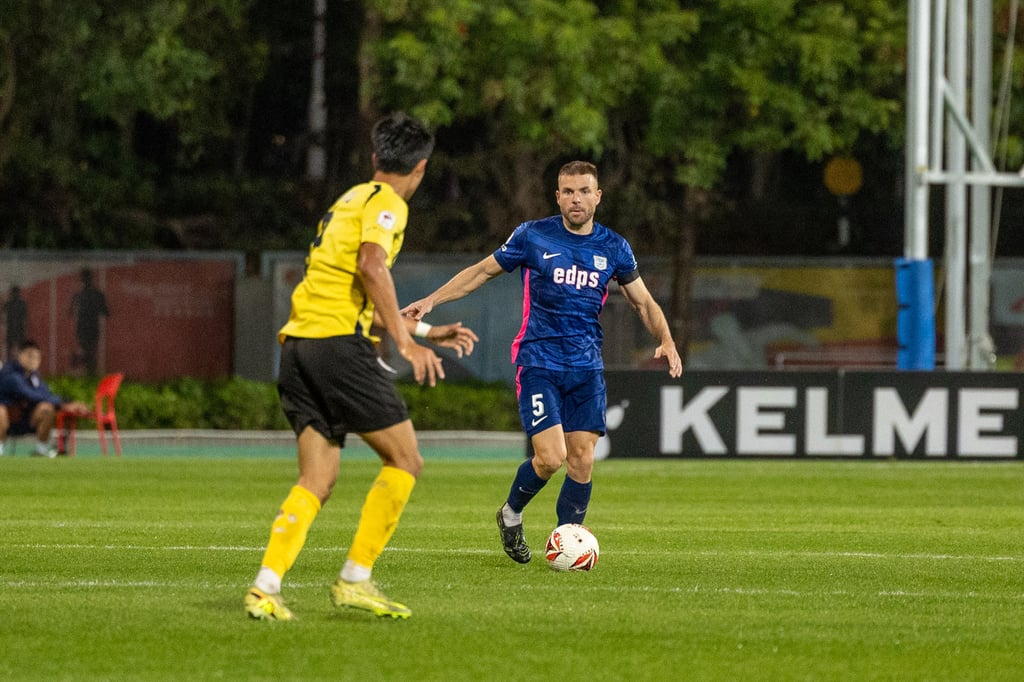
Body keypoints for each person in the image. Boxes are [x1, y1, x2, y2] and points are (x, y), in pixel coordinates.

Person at [244, 112, 478, 622]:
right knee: (406, 461)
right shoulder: (390, 203)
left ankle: (265, 586)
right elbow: (371, 267)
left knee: (318, 478)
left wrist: (424, 331)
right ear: (420, 168)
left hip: (299, 346)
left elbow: (348, 286)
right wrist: (404, 344)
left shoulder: (351, 198)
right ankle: (354, 578)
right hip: (336, 347)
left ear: (375, 160)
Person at [402, 160, 683, 564]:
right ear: (557, 196)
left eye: (585, 191)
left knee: (583, 458)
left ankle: (566, 543)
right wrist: (432, 300)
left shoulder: (614, 247)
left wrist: (666, 338)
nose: (576, 199)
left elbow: (643, 302)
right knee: (551, 458)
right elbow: (482, 272)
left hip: (586, 367)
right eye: (568, 191)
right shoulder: (533, 235)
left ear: (598, 196)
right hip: (539, 360)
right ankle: (511, 513)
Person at [0, 340, 88, 457]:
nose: (34, 361)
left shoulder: (34, 376)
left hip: (27, 420)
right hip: (9, 420)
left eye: (37, 358)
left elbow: (46, 395)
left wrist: (67, 402)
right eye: (30, 356)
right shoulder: (10, 374)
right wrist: (63, 405)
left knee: (47, 408)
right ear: (20, 356)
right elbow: (30, 394)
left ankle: (41, 450)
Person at [70, 268, 109, 375]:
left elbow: (70, 312)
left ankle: (88, 369)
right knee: (89, 350)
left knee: (88, 350)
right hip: (90, 326)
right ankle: (89, 370)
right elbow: (105, 312)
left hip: (84, 326)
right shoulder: (96, 294)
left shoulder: (79, 295)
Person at [4, 285, 28, 359]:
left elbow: (3, 312)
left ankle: (9, 364)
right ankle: (22, 362)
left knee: (9, 349)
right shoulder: (23, 303)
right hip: (20, 329)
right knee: (21, 348)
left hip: (11, 329)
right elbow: (25, 318)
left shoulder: (8, 304)